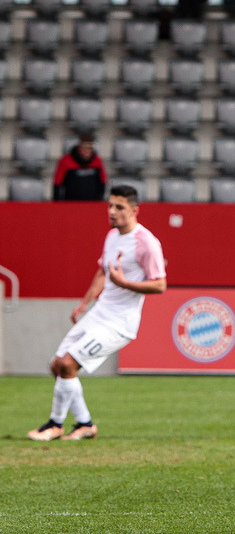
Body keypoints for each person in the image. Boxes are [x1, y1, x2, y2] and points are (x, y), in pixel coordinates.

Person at [27, 186, 167, 442]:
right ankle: (85, 424)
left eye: (119, 207)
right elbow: (103, 271)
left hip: (119, 323)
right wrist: (84, 303)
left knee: (68, 364)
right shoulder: (112, 236)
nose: (112, 212)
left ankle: (55, 425)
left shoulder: (146, 242)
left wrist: (125, 283)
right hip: (100, 312)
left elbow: (160, 284)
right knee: (57, 365)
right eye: (110, 206)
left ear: (134, 211)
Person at [52, 133, 108, 201]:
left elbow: (103, 181)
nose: (86, 151)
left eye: (89, 148)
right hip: (70, 202)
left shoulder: (97, 161)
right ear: (79, 148)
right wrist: (57, 203)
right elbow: (57, 183)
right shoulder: (65, 161)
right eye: (84, 148)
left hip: (92, 203)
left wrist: (100, 200)